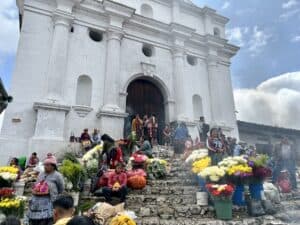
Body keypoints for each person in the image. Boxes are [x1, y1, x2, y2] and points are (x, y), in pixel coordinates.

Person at [28, 154, 65, 225]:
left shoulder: (57, 175)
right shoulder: (41, 174)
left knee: (47, 219)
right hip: (38, 201)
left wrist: (53, 193)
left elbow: (61, 187)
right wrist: (36, 189)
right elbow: (37, 185)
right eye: (44, 165)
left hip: (50, 200)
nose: (45, 167)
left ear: (53, 166)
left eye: (47, 165)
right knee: (35, 219)